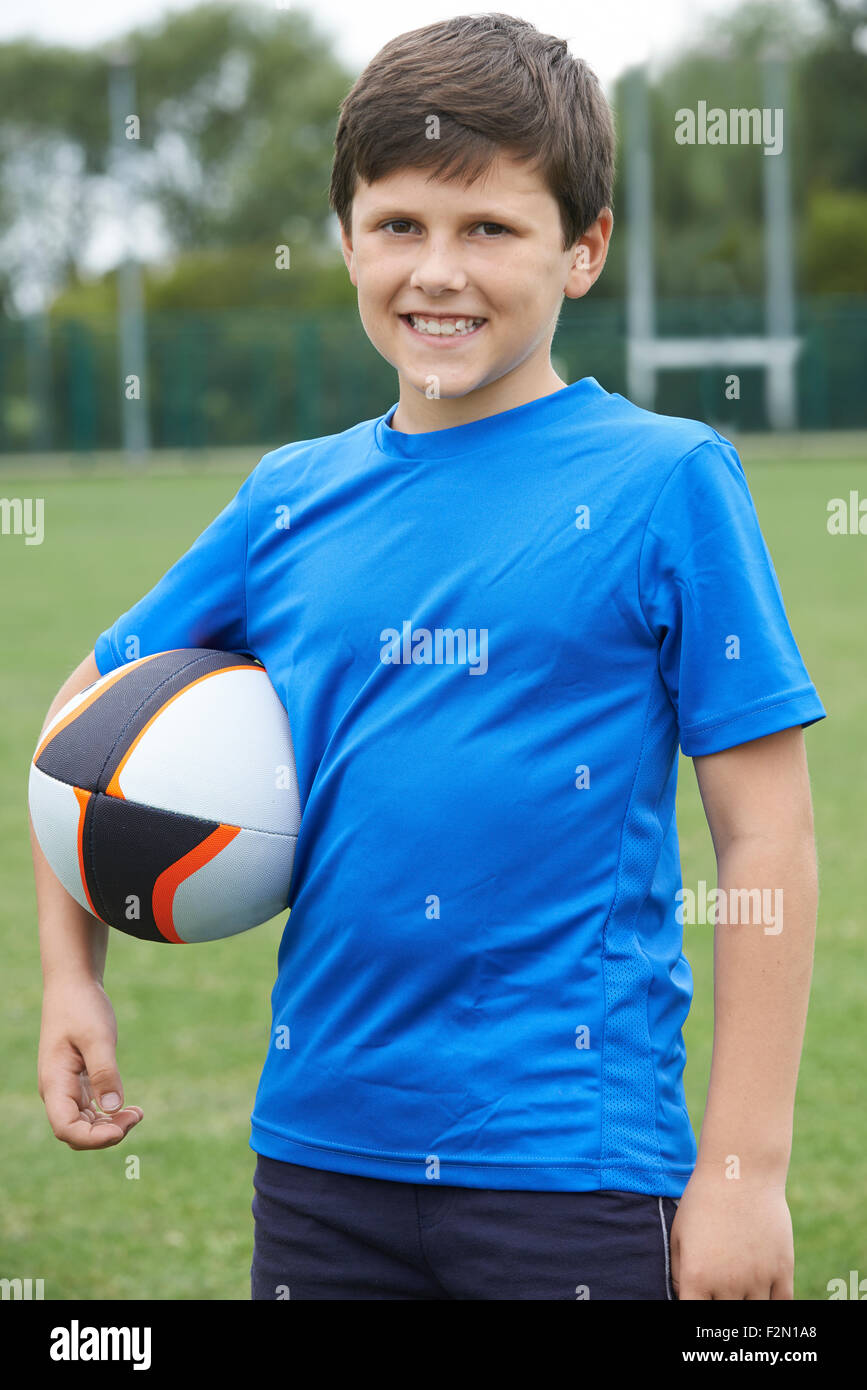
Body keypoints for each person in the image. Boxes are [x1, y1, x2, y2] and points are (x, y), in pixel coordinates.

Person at [32, 13, 826, 1300]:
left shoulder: (668, 479)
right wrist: (72, 977)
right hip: (318, 1161)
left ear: (584, 250)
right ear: (347, 235)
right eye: (399, 225)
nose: (437, 272)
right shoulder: (290, 497)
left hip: (571, 1164)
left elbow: (766, 834)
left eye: (491, 230)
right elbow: (85, 721)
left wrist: (742, 1169)